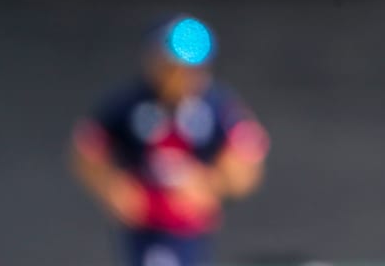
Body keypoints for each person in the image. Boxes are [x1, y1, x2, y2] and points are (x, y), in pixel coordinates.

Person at [70, 14, 270, 266]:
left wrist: (213, 184)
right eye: (173, 67)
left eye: (191, 69)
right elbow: (88, 148)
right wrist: (112, 185)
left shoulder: (217, 105)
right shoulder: (129, 102)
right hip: (142, 218)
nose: (181, 76)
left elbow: (246, 157)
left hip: (187, 222)